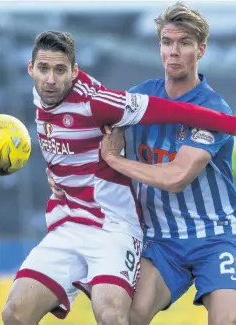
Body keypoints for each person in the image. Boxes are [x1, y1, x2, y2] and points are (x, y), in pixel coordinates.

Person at [2, 29, 236, 325]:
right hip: (94, 226)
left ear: (74, 71)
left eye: (60, 70)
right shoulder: (42, 96)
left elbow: (176, 162)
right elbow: (74, 145)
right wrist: (60, 173)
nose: (50, 79)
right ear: (30, 69)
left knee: (116, 314)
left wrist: (232, 124)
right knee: (14, 314)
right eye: (43, 69)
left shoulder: (101, 101)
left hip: (140, 228)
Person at [100, 3, 236, 325]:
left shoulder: (212, 109)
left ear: (200, 50)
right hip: (161, 242)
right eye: (167, 42)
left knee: (226, 321)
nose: (174, 51)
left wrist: (114, 159)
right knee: (129, 315)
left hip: (216, 236)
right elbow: (97, 130)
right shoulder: (139, 98)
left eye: (184, 43)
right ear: (159, 46)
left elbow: (177, 176)